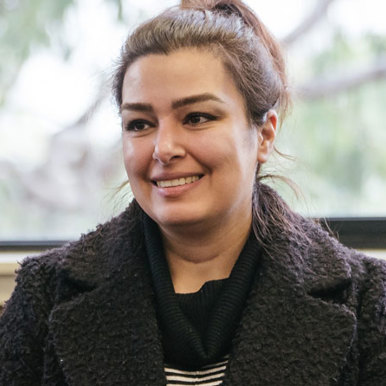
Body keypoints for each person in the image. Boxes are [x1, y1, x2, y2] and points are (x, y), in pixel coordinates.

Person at [1, 0, 386, 384]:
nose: (163, 148)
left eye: (197, 118)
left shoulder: (369, 298)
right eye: (139, 124)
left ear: (265, 134)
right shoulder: (44, 293)